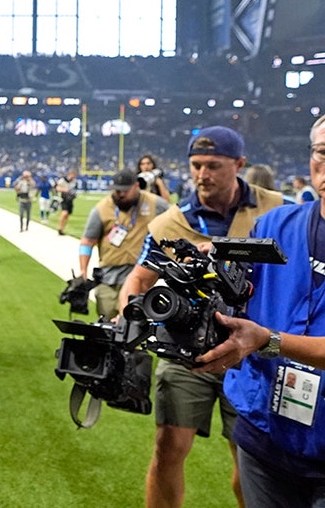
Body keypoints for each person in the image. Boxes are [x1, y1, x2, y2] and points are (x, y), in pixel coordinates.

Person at [117, 126, 284, 508]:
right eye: (196, 165)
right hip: (185, 353)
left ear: (239, 164)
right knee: (167, 448)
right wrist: (130, 318)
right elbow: (138, 280)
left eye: (213, 165)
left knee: (251, 458)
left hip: (252, 353)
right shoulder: (168, 224)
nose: (202, 175)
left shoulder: (277, 210)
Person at [191, 116, 325, 507]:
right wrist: (209, 278)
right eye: (322, 153)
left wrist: (268, 341)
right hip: (265, 432)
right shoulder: (277, 224)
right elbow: (242, 292)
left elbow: (265, 335)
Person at [74, 169, 167, 319]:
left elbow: (173, 227)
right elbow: (88, 241)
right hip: (109, 279)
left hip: (141, 278)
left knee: (133, 329)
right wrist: (83, 270)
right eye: (117, 190)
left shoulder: (155, 204)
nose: (120, 194)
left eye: (125, 190)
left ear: (136, 186)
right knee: (107, 328)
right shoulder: (101, 209)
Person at [56, 169, 78, 235]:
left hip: (70, 200)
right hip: (63, 199)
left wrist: (74, 194)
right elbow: (57, 188)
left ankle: (62, 229)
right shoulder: (62, 180)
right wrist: (66, 190)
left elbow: (74, 190)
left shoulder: (74, 181)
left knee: (67, 215)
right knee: (64, 213)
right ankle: (60, 228)